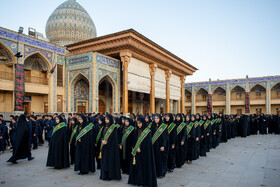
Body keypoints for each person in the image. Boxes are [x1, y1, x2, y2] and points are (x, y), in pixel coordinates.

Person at [128, 116, 157, 187]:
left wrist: (141, 148)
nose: (138, 125)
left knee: (144, 167)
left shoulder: (147, 131)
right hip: (137, 152)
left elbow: (148, 144)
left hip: (144, 153)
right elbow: (133, 141)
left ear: (143, 123)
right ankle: (138, 181)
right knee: (137, 167)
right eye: (137, 123)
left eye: (140, 123)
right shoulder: (135, 130)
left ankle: (144, 181)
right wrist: (136, 147)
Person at [100, 114, 121, 180]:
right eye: (105, 119)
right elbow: (101, 136)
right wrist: (102, 140)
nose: (106, 120)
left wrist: (107, 143)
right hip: (104, 148)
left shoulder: (113, 128)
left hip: (111, 149)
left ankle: (110, 175)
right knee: (104, 162)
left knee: (110, 162)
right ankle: (104, 175)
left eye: (107, 119)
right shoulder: (103, 127)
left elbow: (114, 140)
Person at [151, 114, 168, 179]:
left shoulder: (163, 126)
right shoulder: (152, 126)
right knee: (155, 159)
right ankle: (155, 172)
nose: (156, 120)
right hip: (154, 146)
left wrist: (163, 145)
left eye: (157, 118)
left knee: (161, 160)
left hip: (161, 146)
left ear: (160, 119)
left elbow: (165, 138)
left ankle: (162, 173)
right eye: (155, 118)